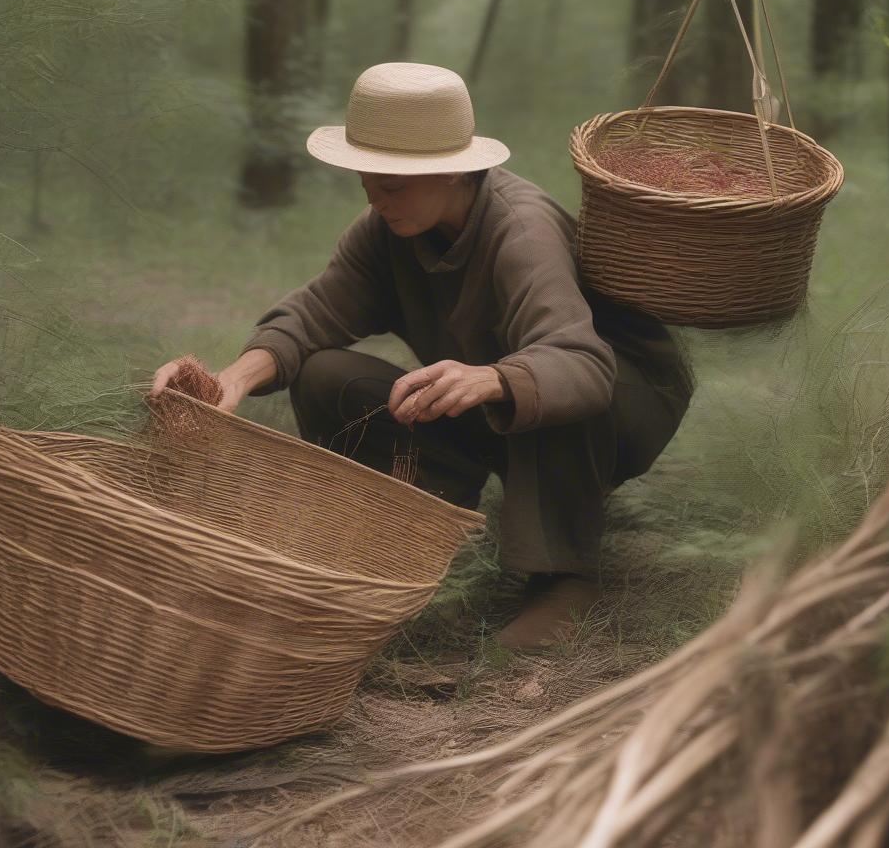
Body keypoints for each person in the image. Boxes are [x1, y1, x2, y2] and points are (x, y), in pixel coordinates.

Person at [150, 62, 693, 652]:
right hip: (496, 404)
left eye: (394, 183)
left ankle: (564, 576)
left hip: (614, 409)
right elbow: (311, 315)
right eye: (368, 179)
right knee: (323, 373)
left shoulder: (522, 232)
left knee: (542, 380)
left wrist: (494, 377)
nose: (375, 197)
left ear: (455, 173)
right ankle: (420, 509)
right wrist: (229, 382)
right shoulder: (386, 227)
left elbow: (582, 363)